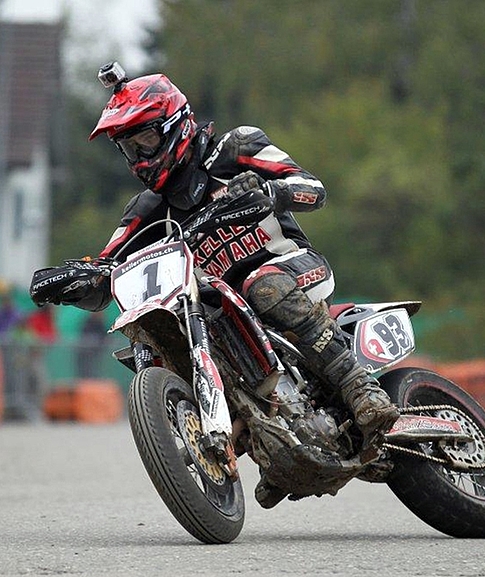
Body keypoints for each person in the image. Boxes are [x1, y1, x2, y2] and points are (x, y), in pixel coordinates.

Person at [31, 62, 398, 501]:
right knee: (155, 336)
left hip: (291, 268)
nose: (140, 157)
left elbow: (312, 188)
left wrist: (271, 193)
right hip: (218, 305)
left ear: (175, 126)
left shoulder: (236, 147)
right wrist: (73, 279)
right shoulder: (145, 209)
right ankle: (258, 441)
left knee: (262, 285)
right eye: (129, 148)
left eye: (145, 140)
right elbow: (111, 264)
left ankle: (361, 388)